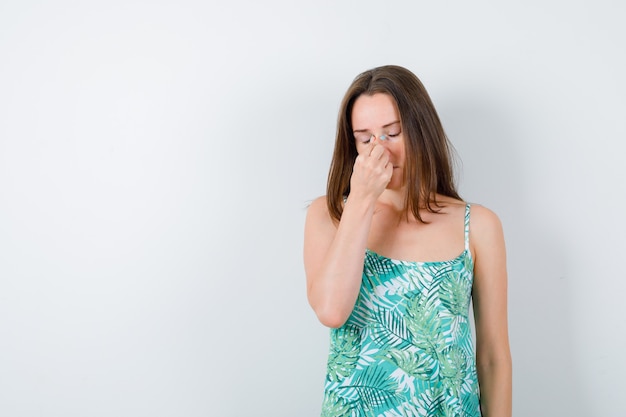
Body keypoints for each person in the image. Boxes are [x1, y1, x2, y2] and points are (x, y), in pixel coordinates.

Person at [303, 65, 512, 416]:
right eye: (365, 138)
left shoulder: (477, 225)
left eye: (393, 133)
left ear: (420, 130)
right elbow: (331, 310)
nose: (379, 151)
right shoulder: (329, 215)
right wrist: (362, 200)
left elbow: (493, 356)